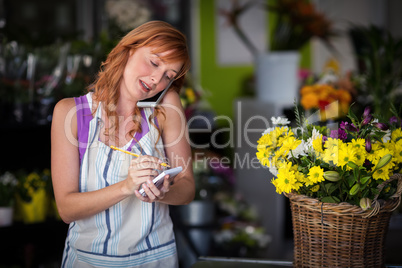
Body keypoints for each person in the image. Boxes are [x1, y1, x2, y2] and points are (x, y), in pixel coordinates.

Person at [51, 20, 195, 267]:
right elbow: (66, 209)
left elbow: (187, 187)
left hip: (155, 259)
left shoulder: (166, 107)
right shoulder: (70, 114)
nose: (155, 80)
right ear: (130, 48)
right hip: (89, 261)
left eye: (167, 76)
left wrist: (162, 192)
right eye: (154, 62)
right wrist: (127, 187)